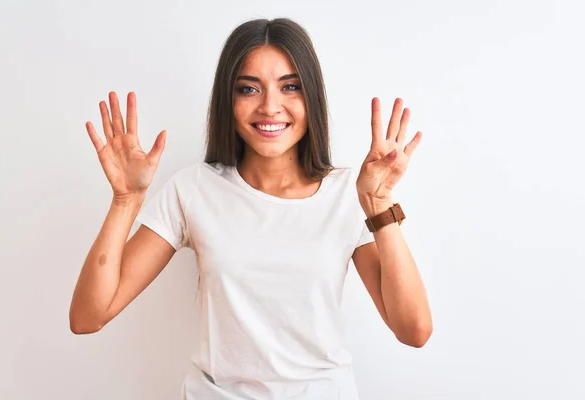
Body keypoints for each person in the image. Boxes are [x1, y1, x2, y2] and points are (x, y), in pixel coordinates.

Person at [69, 17, 432, 400]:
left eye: (290, 87)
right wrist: (126, 201)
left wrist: (378, 204)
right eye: (248, 89)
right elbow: (88, 317)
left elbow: (414, 331)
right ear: (229, 99)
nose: (270, 107)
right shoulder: (194, 188)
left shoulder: (348, 192)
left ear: (312, 97)